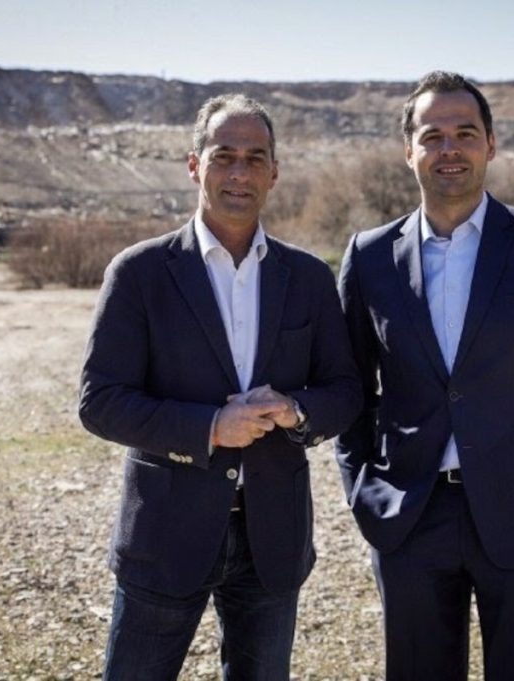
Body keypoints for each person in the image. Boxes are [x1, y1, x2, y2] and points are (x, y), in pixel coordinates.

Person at [79, 93, 361, 680]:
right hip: (165, 534)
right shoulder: (139, 273)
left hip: (273, 539)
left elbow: (345, 391)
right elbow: (101, 402)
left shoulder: (308, 277)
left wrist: (295, 410)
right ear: (194, 165)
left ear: (274, 173)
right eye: (224, 155)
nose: (239, 172)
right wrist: (209, 427)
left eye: (255, 158)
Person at [336, 71, 514, 680]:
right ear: (409, 151)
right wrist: (364, 494)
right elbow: (352, 390)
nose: (449, 149)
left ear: (491, 144)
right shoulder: (369, 256)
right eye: (432, 136)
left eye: (465, 133)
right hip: (409, 517)